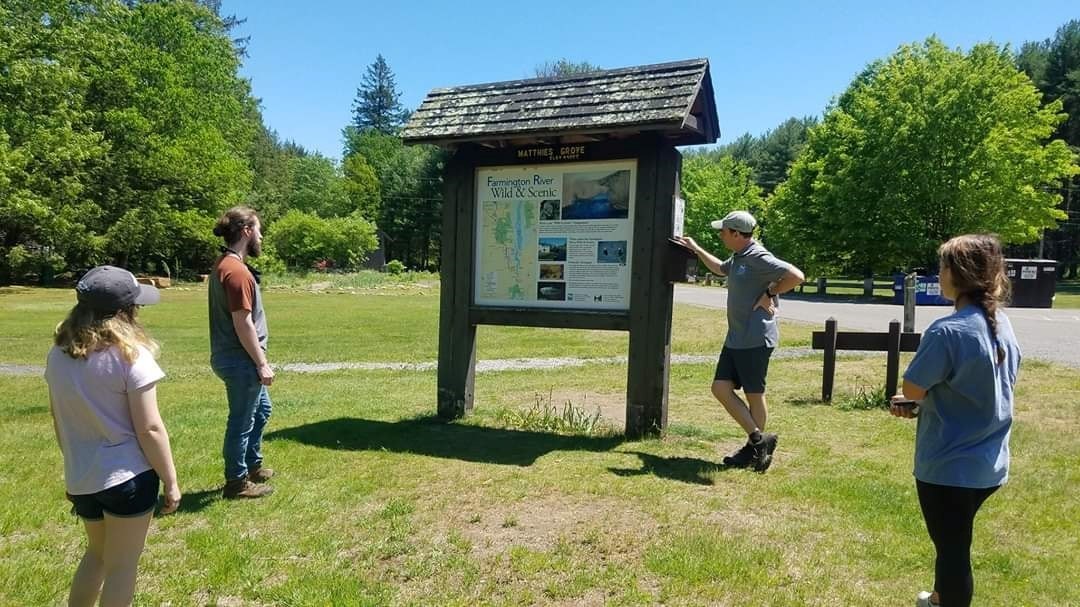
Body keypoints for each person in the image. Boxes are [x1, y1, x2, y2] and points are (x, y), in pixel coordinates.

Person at [889, 234, 1020, 607]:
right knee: (954, 539)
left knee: (952, 551)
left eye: (943, 266)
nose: (939, 273)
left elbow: (913, 389)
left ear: (956, 274)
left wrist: (917, 401)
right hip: (989, 463)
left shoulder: (948, 330)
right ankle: (937, 598)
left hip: (949, 467)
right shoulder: (1001, 323)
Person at [46, 265, 180, 607]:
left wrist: (74, 469)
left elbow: (59, 421)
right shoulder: (132, 356)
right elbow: (149, 428)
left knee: (97, 555)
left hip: (83, 478)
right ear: (126, 311)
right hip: (127, 478)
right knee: (123, 567)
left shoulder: (58, 355)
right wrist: (171, 481)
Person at [677, 210, 805, 472]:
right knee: (720, 388)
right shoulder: (738, 257)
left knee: (754, 395)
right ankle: (759, 441)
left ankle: (753, 449)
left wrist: (770, 292)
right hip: (736, 336)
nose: (721, 235)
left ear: (737, 234)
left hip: (755, 337)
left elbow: (796, 275)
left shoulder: (757, 256)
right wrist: (696, 249)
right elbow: (720, 269)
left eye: (724, 231)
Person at [209, 206, 275, 499]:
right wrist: (262, 363)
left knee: (262, 411)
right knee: (241, 421)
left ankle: (252, 464)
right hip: (241, 360)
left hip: (238, 358)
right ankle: (236, 482)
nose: (261, 237)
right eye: (259, 230)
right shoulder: (236, 272)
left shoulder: (226, 265)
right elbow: (242, 322)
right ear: (247, 231)